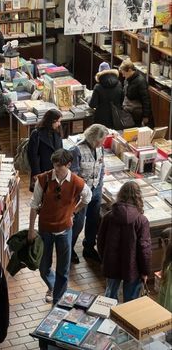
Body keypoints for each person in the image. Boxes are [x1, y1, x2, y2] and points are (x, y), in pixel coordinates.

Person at [28, 149, 92, 304]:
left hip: (65, 230)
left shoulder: (77, 182)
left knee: (63, 270)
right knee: (43, 268)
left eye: (59, 167)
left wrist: (74, 211)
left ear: (68, 164)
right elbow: (34, 205)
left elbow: (87, 198)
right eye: (54, 166)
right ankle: (53, 286)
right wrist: (31, 230)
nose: (55, 170)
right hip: (45, 230)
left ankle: (58, 298)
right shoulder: (43, 179)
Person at [97, 181, 152, 302]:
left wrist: (104, 260)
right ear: (138, 196)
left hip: (111, 264)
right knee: (131, 301)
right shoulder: (142, 221)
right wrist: (145, 271)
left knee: (110, 297)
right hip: (133, 267)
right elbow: (144, 248)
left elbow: (100, 241)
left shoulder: (108, 217)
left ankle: (109, 319)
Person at [70, 124, 108, 264]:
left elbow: (102, 167)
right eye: (102, 140)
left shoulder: (100, 148)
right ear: (94, 139)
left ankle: (89, 248)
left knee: (93, 220)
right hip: (81, 194)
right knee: (78, 223)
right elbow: (73, 175)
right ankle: (70, 249)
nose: (103, 143)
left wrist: (100, 183)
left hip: (96, 190)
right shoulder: (76, 150)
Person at [27, 109, 63, 191]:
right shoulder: (36, 134)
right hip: (42, 169)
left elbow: (61, 150)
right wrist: (37, 173)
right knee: (41, 193)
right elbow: (32, 155)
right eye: (57, 121)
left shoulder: (57, 131)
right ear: (51, 121)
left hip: (55, 169)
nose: (59, 124)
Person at [120, 59, 153, 127]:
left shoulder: (141, 82)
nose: (123, 76)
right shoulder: (127, 79)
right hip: (130, 112)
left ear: (129, 70)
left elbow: (146, 100)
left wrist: (145, 116)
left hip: (138, 115)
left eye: (124, 73)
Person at [89, 64, 124, 129]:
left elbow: (92, 104)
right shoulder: (119, 84)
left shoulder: (98, 87)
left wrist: (88, 99)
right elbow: (122, 100)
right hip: (116, 116)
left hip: (101, 118)